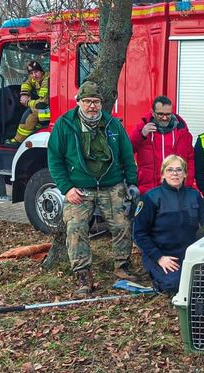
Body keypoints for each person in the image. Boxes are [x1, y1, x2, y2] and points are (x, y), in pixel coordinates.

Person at [47, 81, 139, 297]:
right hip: (79, 188)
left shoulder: (113, 125)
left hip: (112, 184)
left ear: (101, 103)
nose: (92, 106)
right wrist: (66, 188)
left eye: (96, 102)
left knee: (123, 223)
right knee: (76, 228)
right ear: (78, 102)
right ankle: (82, 275)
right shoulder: (65, 125)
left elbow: (127, 154)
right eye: (87, 101)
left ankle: (122, 266)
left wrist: (131, 183)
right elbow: (54, 159)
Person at [133, 155, 204, 293]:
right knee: (177, 285)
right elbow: (139, 233)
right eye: (170, 170)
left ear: (185, 173)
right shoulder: (151, 198)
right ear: (162, 174)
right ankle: (157, 279)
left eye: (179, 170)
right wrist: (159, 257)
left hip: (188, 252)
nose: (175, 173)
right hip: (162, 254)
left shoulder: (193, 195)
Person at [129, 95, 195, 195]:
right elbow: (128, 152)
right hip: (148, 190)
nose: (164, 118)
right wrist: (141, 135)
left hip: (176, 190)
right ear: (152, 112)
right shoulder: (142, 127)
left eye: (168, 114)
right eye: (160, 114)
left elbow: (190, 160)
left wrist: (187, 185)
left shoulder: (182, 131)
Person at [6, 60, 50, 145]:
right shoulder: (36, 78)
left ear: (42, 71)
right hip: (49, 108)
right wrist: (24, 94)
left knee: (32, 112)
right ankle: (35, 130)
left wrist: (28, 102)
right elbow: (27, 83)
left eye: (36, 72)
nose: (34, 75)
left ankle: (18, 140)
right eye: (31, 73)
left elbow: (42, 103)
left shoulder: (47, 80)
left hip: (53, 110)